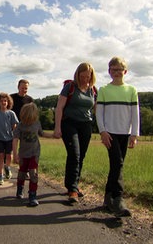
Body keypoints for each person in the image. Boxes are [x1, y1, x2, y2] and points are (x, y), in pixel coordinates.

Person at [96, 56, 139, 217]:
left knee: (116, 166)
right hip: (110, 134)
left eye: (119, 70)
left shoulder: (131, 90)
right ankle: (118, 199)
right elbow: (99, 114)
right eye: (113, 70)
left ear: (125, 71)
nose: (116, 72)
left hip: (125, 134)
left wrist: (134, 134)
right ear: (109, 71)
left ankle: (107, 199)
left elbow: (135, 114)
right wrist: (102, 132)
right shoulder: (104, 90)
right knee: (118, 163)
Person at [54, 62, 97, 203]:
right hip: (69, 124)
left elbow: (96, 108)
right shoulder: (70, 87)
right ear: (78, 75)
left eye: (88, 76)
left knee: (81, 156)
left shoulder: (93, 90)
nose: (85, 78)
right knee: (74, 153)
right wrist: (57, 127)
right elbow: (59, 108)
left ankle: (73, 185)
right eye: (83, 76)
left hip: (86, 125)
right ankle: (72, 190)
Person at [12, 102, 51, 206]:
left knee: (33, 173)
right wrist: (15, 154)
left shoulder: (37, 123)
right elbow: (15, 139)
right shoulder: (20, 125)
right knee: (22, 173)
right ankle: (20, 189)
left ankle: (32, 195)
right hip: (23, 154)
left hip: (35, 153)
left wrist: (54, 135)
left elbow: (42, 133)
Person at [0, 92, 19, 185]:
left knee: (8, 156)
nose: (3, 102)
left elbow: (15, 124)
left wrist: (14, 133)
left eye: (5, 101)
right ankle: (0, 175)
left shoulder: (11, 113)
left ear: (8, 102)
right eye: (2, 101)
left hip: (9, 138)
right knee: (0, 156)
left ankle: (7, 167)